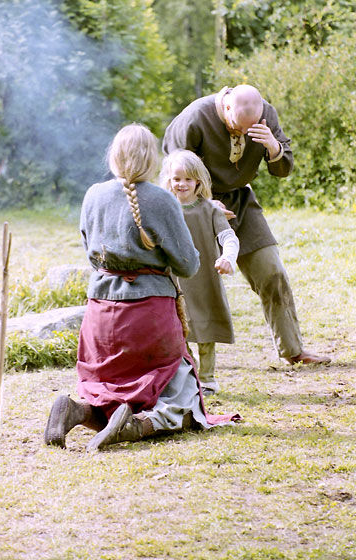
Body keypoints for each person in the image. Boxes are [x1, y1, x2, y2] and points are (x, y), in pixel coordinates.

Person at [44, 124, 241, 452]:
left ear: (114, 156)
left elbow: (90, 252)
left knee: (113, 388)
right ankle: (134, 426)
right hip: (148, 315)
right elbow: (188, 265)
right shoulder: (162, 199)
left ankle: (76, 411)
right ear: (152, 158)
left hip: (100, 316)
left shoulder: (93, 194)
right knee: (184, 400)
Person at [163, 84, 330, 366]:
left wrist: (274, 147)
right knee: (188, 286)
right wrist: (204, 201)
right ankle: (177, 358)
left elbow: (283, 169)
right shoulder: (193, 119)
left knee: (272, 271)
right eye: (237, 127)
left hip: (241, 202)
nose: (242, 133)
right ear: (227, 107)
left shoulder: (266, 114)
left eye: (248, 129)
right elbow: (171, 174)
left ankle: (293, 350)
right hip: (195, 209)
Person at [160, 149, 239, 396]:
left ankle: (207, 379)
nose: (182, 184)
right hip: (172, 280)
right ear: (169, 181)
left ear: (198, 181)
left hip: (204, 278)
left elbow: (228, 237)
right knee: (177, 330)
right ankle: (188, 375)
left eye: (188, 179)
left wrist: (228, 257)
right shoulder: (164, 208)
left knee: (205, 329)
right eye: (176, 179)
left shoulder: (210, 210)